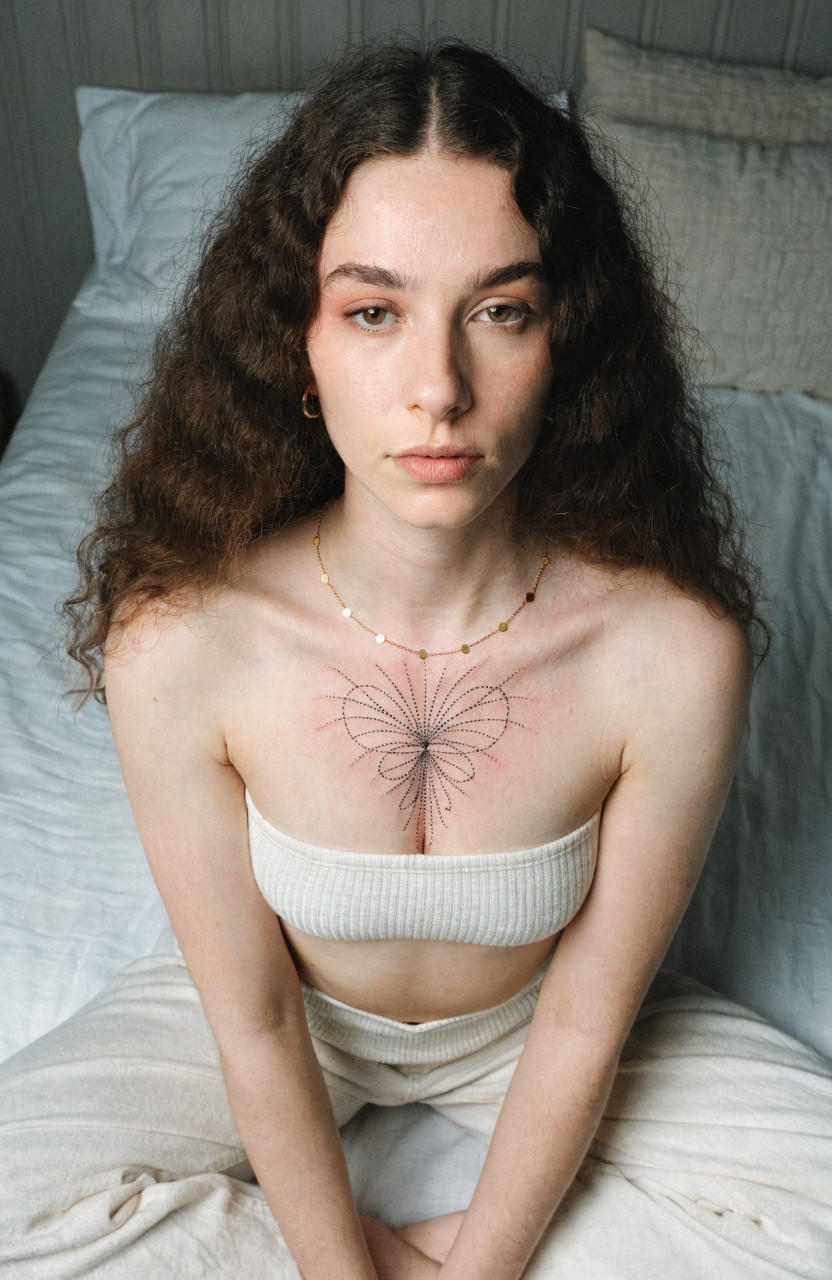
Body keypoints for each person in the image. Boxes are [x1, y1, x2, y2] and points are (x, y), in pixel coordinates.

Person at [1, 37, 830, 1280]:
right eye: (374, 310)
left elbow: (585, 1019)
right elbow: (257, 1016)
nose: (436, 387)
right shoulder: (181, 637)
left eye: (500, 311)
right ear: (299, 346)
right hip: (292, 1012)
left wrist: (478, 1261)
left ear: (567, 346)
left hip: (530, 1018)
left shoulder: (669, 649)